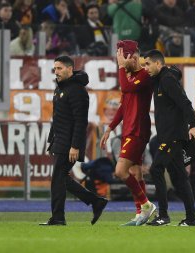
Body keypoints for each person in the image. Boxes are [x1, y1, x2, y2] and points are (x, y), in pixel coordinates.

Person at [40, 55, 108, 226]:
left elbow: (81, 121)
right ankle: (95, 201)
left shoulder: (77, 90)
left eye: (60, 68)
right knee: (62, 178)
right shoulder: (60, 88)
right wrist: (52, 141)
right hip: (59, 141)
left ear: (70, 69)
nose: (56, 72)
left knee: (58, 179)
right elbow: (58, 119)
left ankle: (58, 217)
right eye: (55, 69)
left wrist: (75, 146)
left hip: (69, 143)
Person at [100, 40, 156, 226]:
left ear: (133, 56)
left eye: (124, 57)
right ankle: (141, 212)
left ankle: (147, 206)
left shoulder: (145, 75)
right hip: (129, 129)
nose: (122, 61)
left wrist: (121, 67)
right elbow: (124, 106)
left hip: (138, 130)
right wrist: (110, 128)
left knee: (120, 171)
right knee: (136, 173)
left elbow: (126, 88)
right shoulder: (130, 76)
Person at [143, 49, 195, 226]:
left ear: (158, 64)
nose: (145, 67)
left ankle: (163, 215)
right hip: (168, 135)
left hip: (173, 135)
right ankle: (191, 219)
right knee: (180, 177)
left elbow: (185, 103)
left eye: (148, 64)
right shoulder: (159, 79)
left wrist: (193, 125)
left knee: (156, 169)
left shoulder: (167, 79)